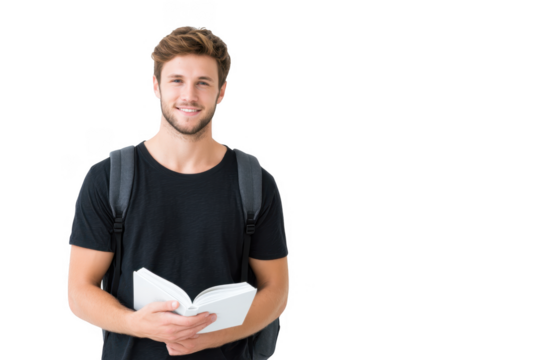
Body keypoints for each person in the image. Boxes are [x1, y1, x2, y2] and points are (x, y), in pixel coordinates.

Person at [67, 25, 289, 359]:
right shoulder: (109, 177)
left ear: (221, 92)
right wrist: (137, 323)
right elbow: (79, 291)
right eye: (177, 81)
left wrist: (215, 337)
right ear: (155, 85)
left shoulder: (255, 182)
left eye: (203, 83)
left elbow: (276, 290)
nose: (189, 95)